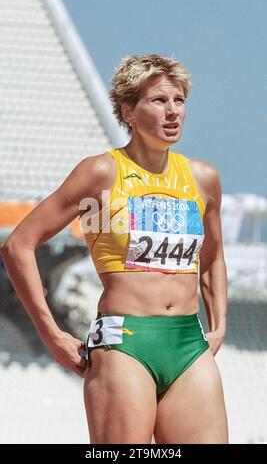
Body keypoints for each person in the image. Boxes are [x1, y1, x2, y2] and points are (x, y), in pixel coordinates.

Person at [0, 53, 228, 444]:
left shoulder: (202, 177)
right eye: (159, 101)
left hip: (189, 343)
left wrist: (220, 325)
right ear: (128, 111)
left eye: (179, 100)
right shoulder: (101, 172)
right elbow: (18, 244)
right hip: (125, 343)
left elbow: (213, 256)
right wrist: (51, 333)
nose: (173, 112)